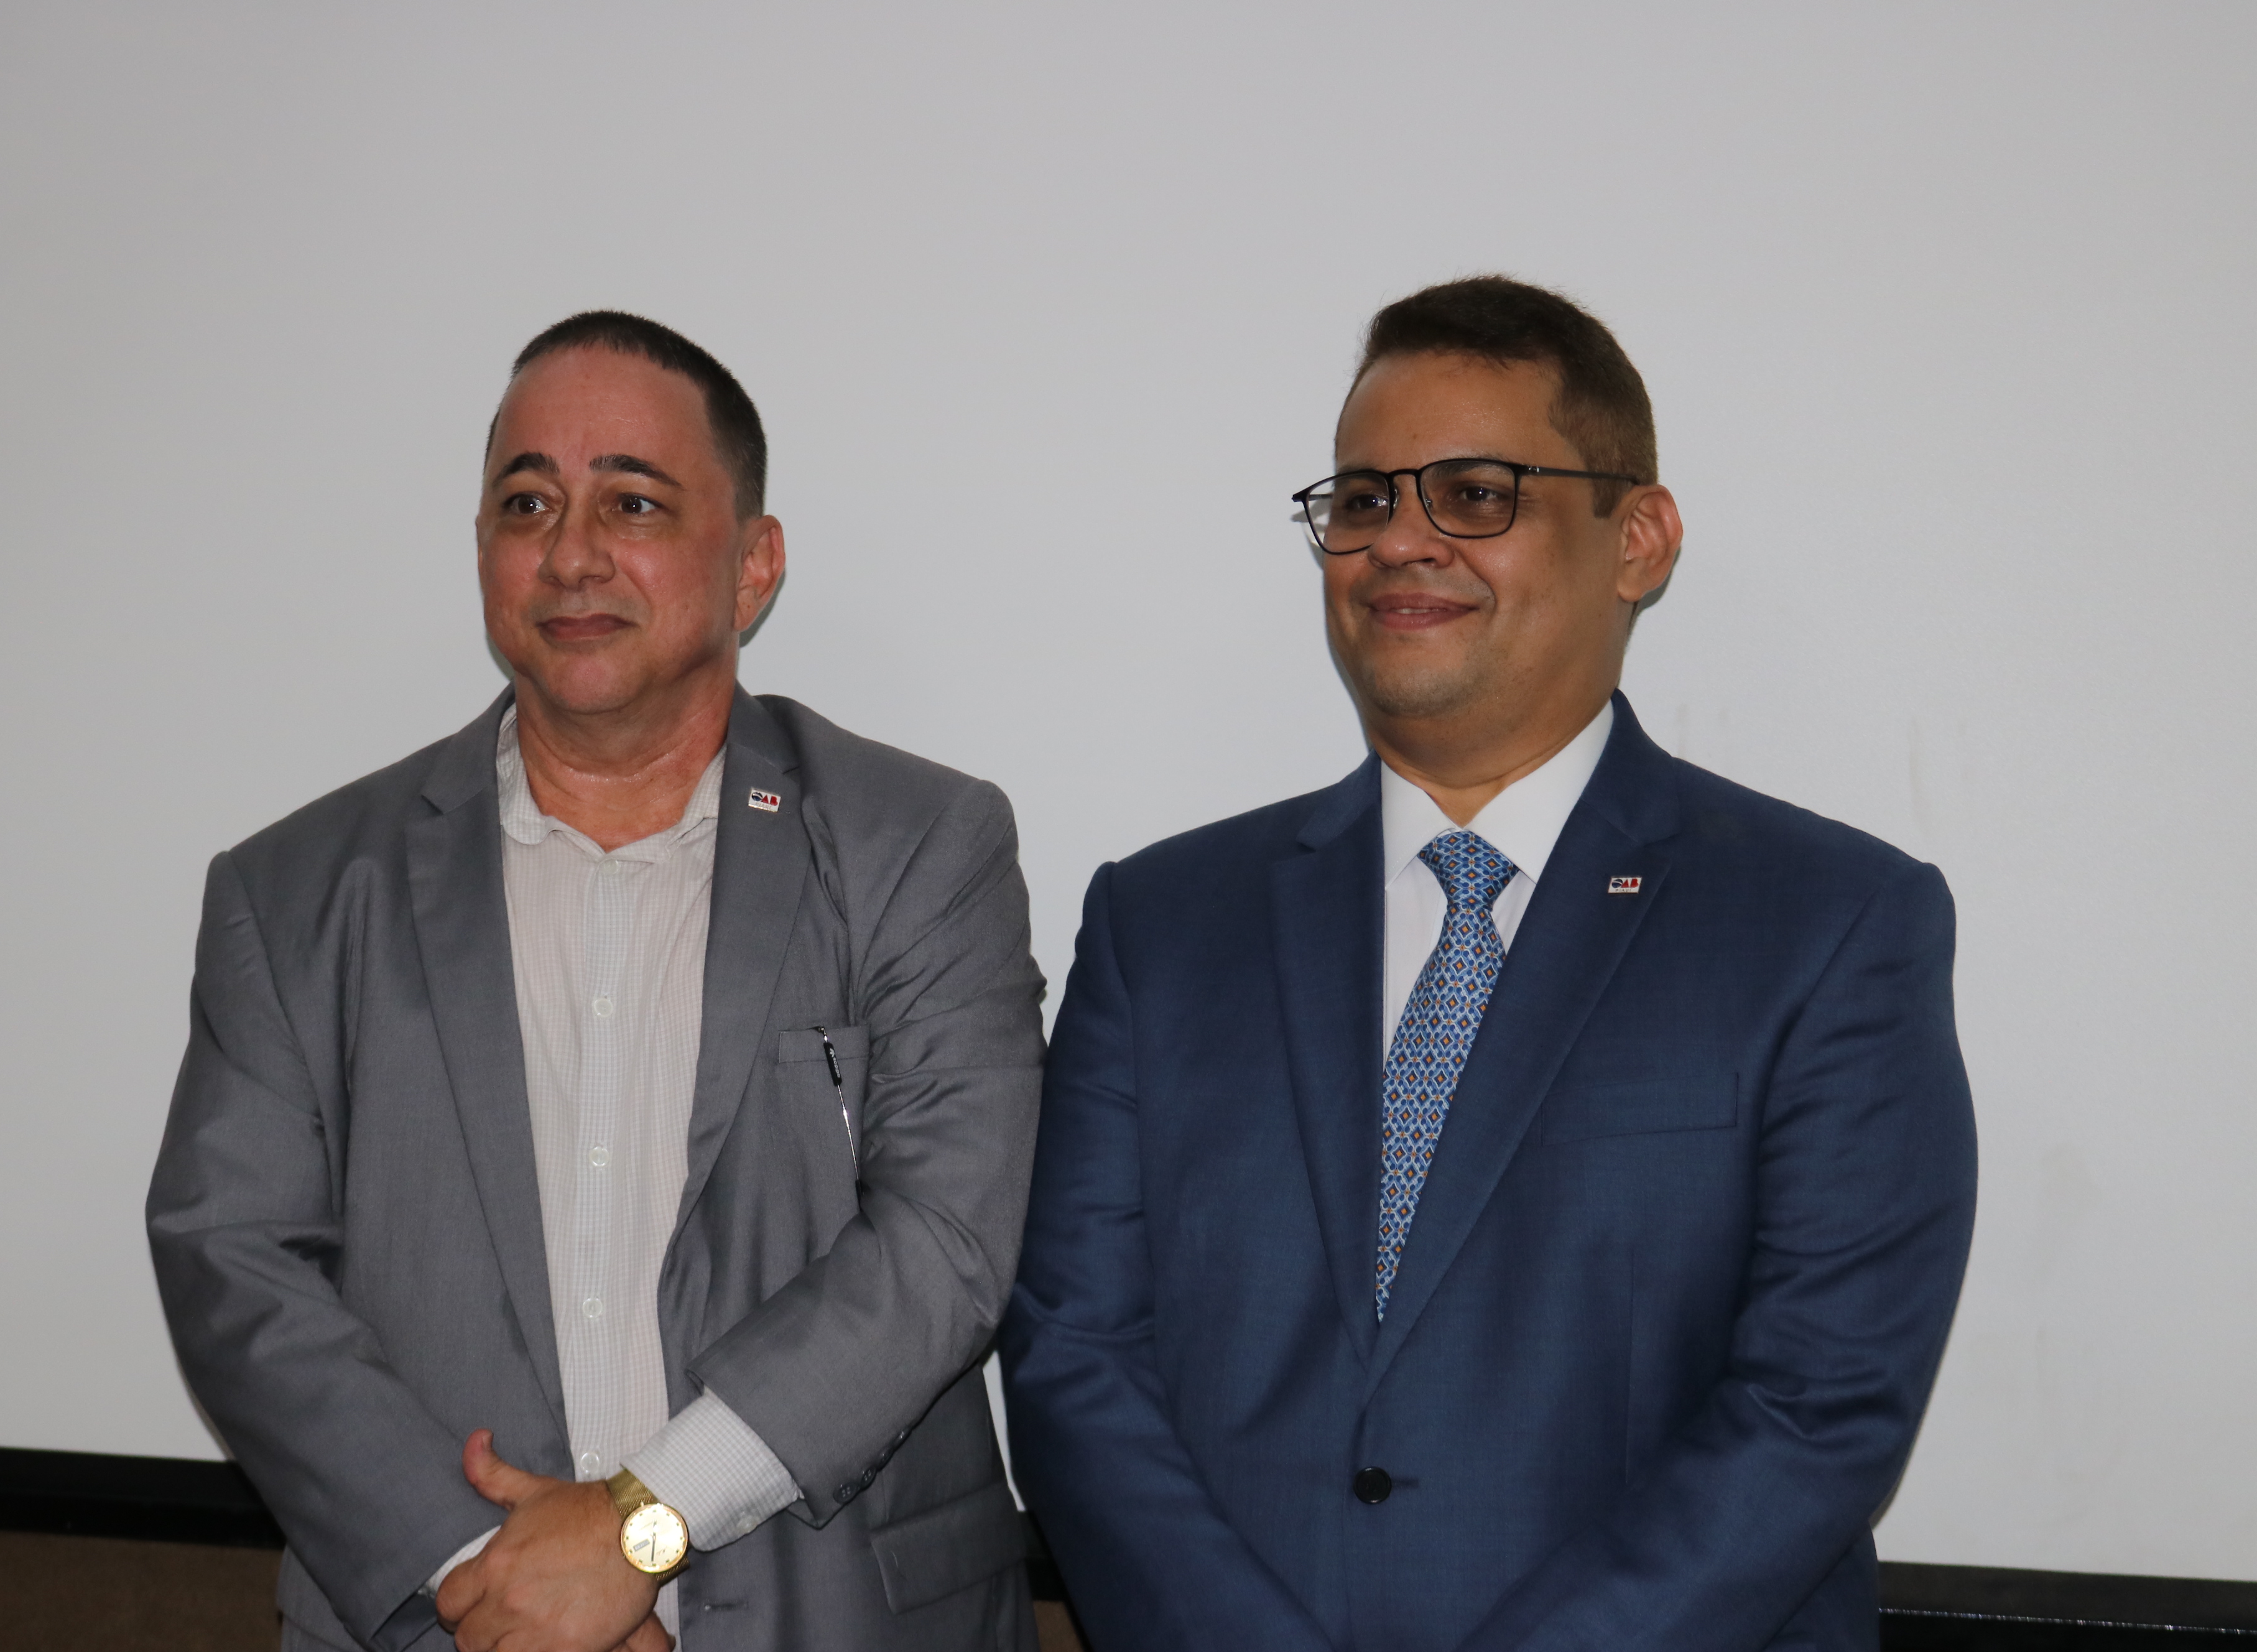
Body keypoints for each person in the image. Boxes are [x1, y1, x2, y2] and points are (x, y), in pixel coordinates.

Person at [1001, 276, 1977, 1652]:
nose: (1401, 541)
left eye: (1474, 494)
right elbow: (1075, 1356)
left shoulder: (1832, 925)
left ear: (1637, 539)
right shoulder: (1160, 925)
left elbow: (1818, 1405)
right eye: (1363, 499)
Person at [148, 312, 1044, 1652]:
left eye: (632, 501)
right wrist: (490, 1579)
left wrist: (640, 1527)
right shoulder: (295, 892)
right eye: (527, 504)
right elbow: (231, 1257)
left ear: (753, 564)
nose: (570, 552)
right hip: (448, 1622)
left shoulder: (919, 846)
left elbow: (946, 1243)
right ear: (483, 551)